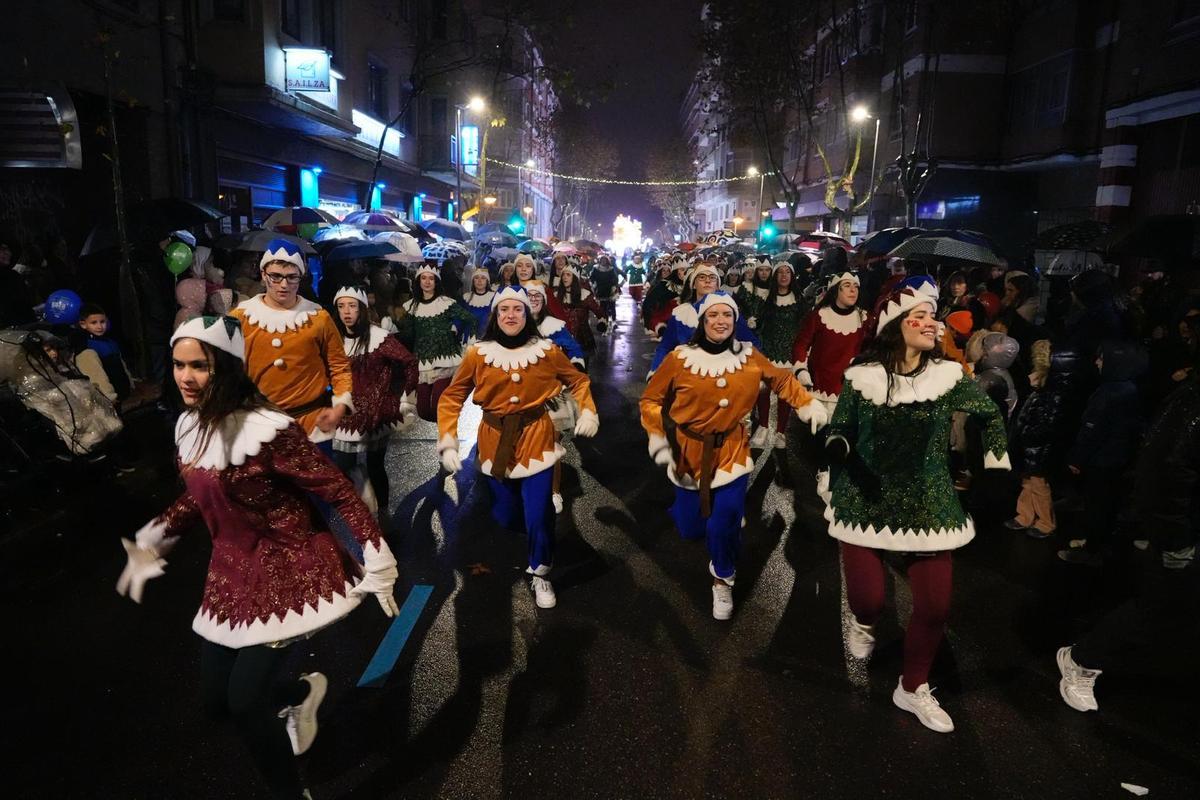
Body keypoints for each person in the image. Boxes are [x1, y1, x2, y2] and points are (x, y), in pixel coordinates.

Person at [115, 315, 399, 799]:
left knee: (245, 702)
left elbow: (339, 492)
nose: (186, 376)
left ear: (224, 368)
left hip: (289, 569)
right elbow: (198, 497)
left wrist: (378, 559)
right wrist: (151, 542)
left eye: (199, 366)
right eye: (180, 365)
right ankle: (301, 694)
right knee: (216, 703)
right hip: (230, 574)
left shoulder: (269, 430)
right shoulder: (190, 424)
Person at [821, 288, 1011, 733]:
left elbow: (989, 414)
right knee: (868, 600)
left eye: (934, 317)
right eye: (920, 316)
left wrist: (996, 462)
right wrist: (838, 443)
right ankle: (865, 622)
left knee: (934, 606)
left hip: (928, 500)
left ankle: (912, 686)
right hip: (864, 497)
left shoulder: (948, 374)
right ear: (896, 326)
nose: (932, 323)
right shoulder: (862, 375)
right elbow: (843, 424)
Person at [640, 291, 827, 620]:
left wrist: (805, 402)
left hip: (731, 450)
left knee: (724, 520)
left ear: (735, 320)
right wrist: (657, 437)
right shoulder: (680, 357)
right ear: (703, 321)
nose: (721, 321)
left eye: (727, 316)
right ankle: (715, 534)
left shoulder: (750, 355)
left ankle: (722, 577)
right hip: (688, 452)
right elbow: (650, 400)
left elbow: (781, 378)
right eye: (713, 316)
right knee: (690, 528)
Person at [1056, 337, 1199, 713]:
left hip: (1179, 524)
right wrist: (1175, 538)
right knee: (1162, 604)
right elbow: (1168, 470)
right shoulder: (1191, 403)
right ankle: (1083, 659)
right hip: (1184, 531)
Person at [436, 286, 599, 608]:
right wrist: (448, 440)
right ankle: (534, 538)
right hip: (495, 444)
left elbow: (577, 380)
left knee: (539, 513)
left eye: (518, 309)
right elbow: (452, 396)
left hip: (537, 439)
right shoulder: (478, 354)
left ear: (528, 315)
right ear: (496, 316)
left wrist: (589, 411)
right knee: (508, 515)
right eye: (504, 310)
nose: (511, 315)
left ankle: (540, 571)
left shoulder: (547, 350)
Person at [229, 239, 353, 444]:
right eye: (276, 277)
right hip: (258, 426)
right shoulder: (241, 317)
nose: (283, 285)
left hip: (313, 426)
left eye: (291, 277)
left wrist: (340, 406)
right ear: (263, 275)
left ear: (301, 278)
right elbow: (228, 370)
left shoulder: (318, 317)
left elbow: (339, 366)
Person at [330, 287, 419, 520]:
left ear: (362, 308)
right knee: (343, 463)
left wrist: (404, 397)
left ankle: (384, 513)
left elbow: (409, 363)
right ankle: (363, 486)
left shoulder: (379, 337)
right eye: (341, 306)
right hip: (346, 411)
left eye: (352, 306)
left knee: (376, 465)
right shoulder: (334, 338)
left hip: (376, 412)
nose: (346, 312)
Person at [1057, 340, 1147, 566]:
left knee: (1097, 505)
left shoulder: (1108, 393)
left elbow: (1092, 429)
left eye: (1102, 358)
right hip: (1117, 458)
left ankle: (1092, 550)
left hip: (1101, 460)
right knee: (1108, 503)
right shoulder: (1131, 389)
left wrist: (1077, 458)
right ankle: (1098, 541)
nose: (1097, 362)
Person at [393, 264, 477, 422]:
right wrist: (393, 326)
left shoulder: (446, 303)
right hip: (423, 362)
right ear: (418, 281)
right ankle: (442, 430)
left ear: (436, 282)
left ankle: (446, 433)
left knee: (438, 404)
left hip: (445, 360)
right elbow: (409, 335)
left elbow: (469, 319)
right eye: (423, 278)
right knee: (423, 410)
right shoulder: (411, 306)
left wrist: (458, 331)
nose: (427, 282)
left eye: (431, 278)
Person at [649, 264, 757, 375]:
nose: (707, 281)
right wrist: (655, 373)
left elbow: (751, 343)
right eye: (702, 277)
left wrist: (752, 372)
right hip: (688, 377)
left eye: (712, 277)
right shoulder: (682, 313)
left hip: (722, 376)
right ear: (694, 284)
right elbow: (665, 346)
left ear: (717, 285)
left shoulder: (728, 312)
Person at [791, 271, 869, 418]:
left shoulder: (864, 318)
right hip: (818, 388)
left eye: (856, 286)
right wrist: (801, 371)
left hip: (849, 390)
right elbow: (800, 345)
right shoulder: (819, 316)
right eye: (847, 286)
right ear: (835, 290)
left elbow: (871, 348)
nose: (853, 290)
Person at [750, 261, 807, 449]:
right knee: (763, 391)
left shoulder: (800, 300)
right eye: (780, 272)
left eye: (787, 272)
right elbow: (758, 323)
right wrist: (753, 322)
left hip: (789, 354)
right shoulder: (766, 299)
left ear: (792, 276)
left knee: (784, 394)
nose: (784, 275)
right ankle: (764, 427)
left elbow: (805, 329)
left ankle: (781, 432)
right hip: (768, 351)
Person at [75, 302, 134, 404]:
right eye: (94, 323)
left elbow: (122, 365)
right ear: (83, 324)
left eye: (102, 322)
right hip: (110, 400)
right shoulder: (87, 348)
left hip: (123, 393)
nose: (99, 326)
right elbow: (96, 375)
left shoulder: (111, 342)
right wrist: (109, 397)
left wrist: (131, 383)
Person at [554, 263, 605, 359]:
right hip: (562, 339)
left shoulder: (585, 295)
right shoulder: (557, 295)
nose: (565, 277)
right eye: (563, 275)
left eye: (568, 275)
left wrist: (601, 322)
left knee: (581, 370)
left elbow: (599, 312)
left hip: (582, 339)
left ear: (575, 278)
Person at [460, 267, 497, 337]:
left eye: (483, 278)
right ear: (473, 281)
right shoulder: (466, 297)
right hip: (469, 337)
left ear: (487, 281)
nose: (479, 281)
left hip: (488, 336)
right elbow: (460, 317)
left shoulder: (493, 297)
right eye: (476, 278)